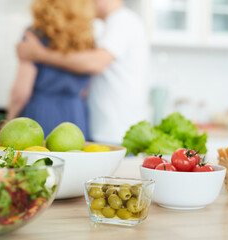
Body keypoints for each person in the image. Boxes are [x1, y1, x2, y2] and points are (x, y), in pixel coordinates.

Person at [17, 0, 149, 144]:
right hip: (91, 123)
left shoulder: (122, 21)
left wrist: (40, 54)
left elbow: (97, 63)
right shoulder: (99, 30)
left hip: (113, 131)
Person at [8, 0, 95, 139]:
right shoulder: (87, 39)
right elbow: (85, 89)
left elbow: (21, 92)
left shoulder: (34, 36)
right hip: (76, 115)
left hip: (40, 113)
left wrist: (8, 121)